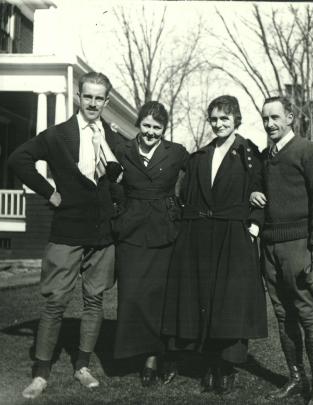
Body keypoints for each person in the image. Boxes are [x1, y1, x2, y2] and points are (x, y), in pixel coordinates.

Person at [8, 72, 122, 399]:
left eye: (99, 98)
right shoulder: (58, 135)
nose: (93, 103)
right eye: (88, 96)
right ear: (78, 96)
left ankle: (82, 366)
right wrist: (49, 191)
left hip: (102, 234)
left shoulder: (112, 137)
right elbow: (19, 159)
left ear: (106, 102)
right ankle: (41, 373)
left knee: (94, 300)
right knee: (56, 300)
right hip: (67, 230)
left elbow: (122, 177)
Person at [162, 95, 267, 395]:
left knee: (230, 304)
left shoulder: (249, 154)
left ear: (236, 119)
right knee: (204, 300)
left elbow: (260, 191)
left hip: (234, 236)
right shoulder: (200, 156)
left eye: (225, 118)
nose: (219, 124)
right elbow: (186, 194)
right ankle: (210, 363)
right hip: (201, 236)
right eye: (214, 119)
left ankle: (227, 366)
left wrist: (254, 228)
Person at [250, 96, 313, 405]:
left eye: (275, 117)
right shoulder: (264, 156)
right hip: (269, 247)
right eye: (265, 118)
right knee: (283, 315)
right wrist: (254, 191)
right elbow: (255, 185)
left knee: (307, 314)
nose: (270, 123)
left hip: (299, 246)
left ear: (290, 118)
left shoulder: (308, 151)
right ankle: (297, 379)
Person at [111, 101, 188, 386]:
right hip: (131, 231)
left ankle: (154, 357)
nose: (151, 132)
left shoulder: (176, 152)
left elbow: (198, 177)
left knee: (160, 299)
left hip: (165, 231)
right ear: (138, 124)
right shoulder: (123, 150)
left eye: (157, 127)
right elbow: (111, 183)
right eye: (146, 125)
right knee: (132, 296)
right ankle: (141, 350)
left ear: (164, 129)